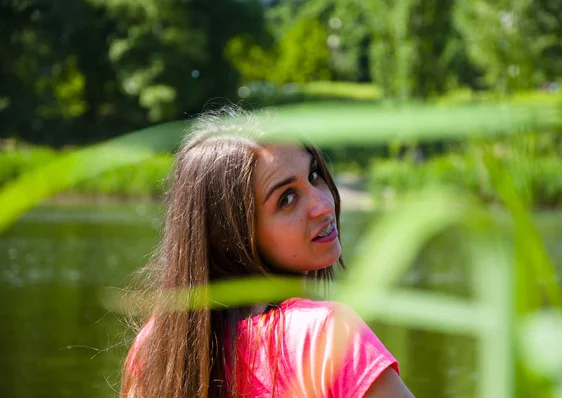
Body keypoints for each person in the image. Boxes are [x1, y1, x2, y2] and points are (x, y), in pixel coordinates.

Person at [120, 108, 414, 398]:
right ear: (231, 237)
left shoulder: (159, 346)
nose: (323, 204)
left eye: (313, 175)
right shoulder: (328, 338)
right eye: (287, 199)